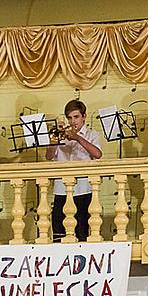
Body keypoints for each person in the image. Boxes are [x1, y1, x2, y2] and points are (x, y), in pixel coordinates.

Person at [46, 100, 102, 242]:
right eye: (69, 118)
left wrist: (77, 138)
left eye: (76, 117)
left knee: (82, 233)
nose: (72, 121)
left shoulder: (91, 134)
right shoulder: (61, 134)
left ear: (84, 116)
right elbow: (49, 156)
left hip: (83, 190)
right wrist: (54, 140)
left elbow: (97, 154)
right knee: (58, 234)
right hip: (61, 190)